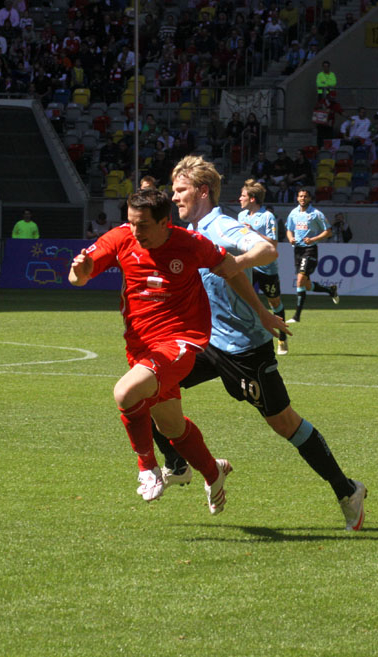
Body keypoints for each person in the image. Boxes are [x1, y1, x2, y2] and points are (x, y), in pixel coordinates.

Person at [149, 156, 366, 531]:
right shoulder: (189, 231)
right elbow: (218, 277)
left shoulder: (221, 226)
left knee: (285, 424)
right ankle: (180, 464)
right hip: (205, 342)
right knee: (148, 388)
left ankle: (348, 491)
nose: (174, 196)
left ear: (202, 191)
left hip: (244, 349)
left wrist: (239, 264)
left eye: (181, 190)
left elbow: (267, 249)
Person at [68, 187, 242, 514]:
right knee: (171, 427)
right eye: (132, 222)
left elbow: (229, 266)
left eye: (144, 225)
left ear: (165, 222)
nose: (136, 231)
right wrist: (80, 269)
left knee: (125, 392)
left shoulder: (191, 244)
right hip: (141, 348)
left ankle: (147, 468)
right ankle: (213, 472)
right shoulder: (122, 237)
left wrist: (261, 312)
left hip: (181, 341)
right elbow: (78, 278)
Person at [237, 180, 288, 354]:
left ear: (252, 198)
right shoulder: (241, 216)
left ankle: (282, 338)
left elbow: (273, 244)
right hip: (248, 266)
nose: (239, 199)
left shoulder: (267, 217)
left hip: (266, 268)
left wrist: (254, 232)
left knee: (274, 302)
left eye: (243, 196)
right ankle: (247, 340)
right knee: (243, 301)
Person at [285, 188, 338, 323]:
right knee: (307, 285)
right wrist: (290, 238)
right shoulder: (293, 213)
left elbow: (328, 231)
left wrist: (313, 239)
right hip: (297, 250)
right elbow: (289, 230)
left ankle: (296, 316)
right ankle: (330, 290)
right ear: (297, 198)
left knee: (300, 280)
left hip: (310, 250)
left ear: (309, 198)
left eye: (305, 196)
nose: (302, 198)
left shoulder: (316, 214)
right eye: (300, 196)